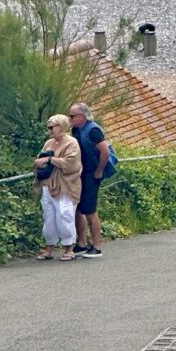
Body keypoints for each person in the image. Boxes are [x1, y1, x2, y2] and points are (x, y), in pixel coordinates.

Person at [33, 114, 82, 261]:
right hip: (48, 184)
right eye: (48, 127)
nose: (49, 130)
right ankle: (49, 247)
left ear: (61, 127)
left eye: (52, 127)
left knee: (64, 215)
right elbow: (42, 156)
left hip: (65, 185)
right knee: (49, 217)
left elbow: (71, 163)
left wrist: (50, 159)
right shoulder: (49, 143)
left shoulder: (72, 143)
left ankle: (69, 247)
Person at [69, 102, 111, 258]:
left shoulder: (93, 130)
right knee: (79, 208)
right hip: (81, 173)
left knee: (90, 210)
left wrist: (98, 171)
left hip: (91, 174)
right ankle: (81, 243)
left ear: (82, 116)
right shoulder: (76, 130)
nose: (70, 119)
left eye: (72, 116)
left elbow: (104, 152)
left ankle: (97, 246)